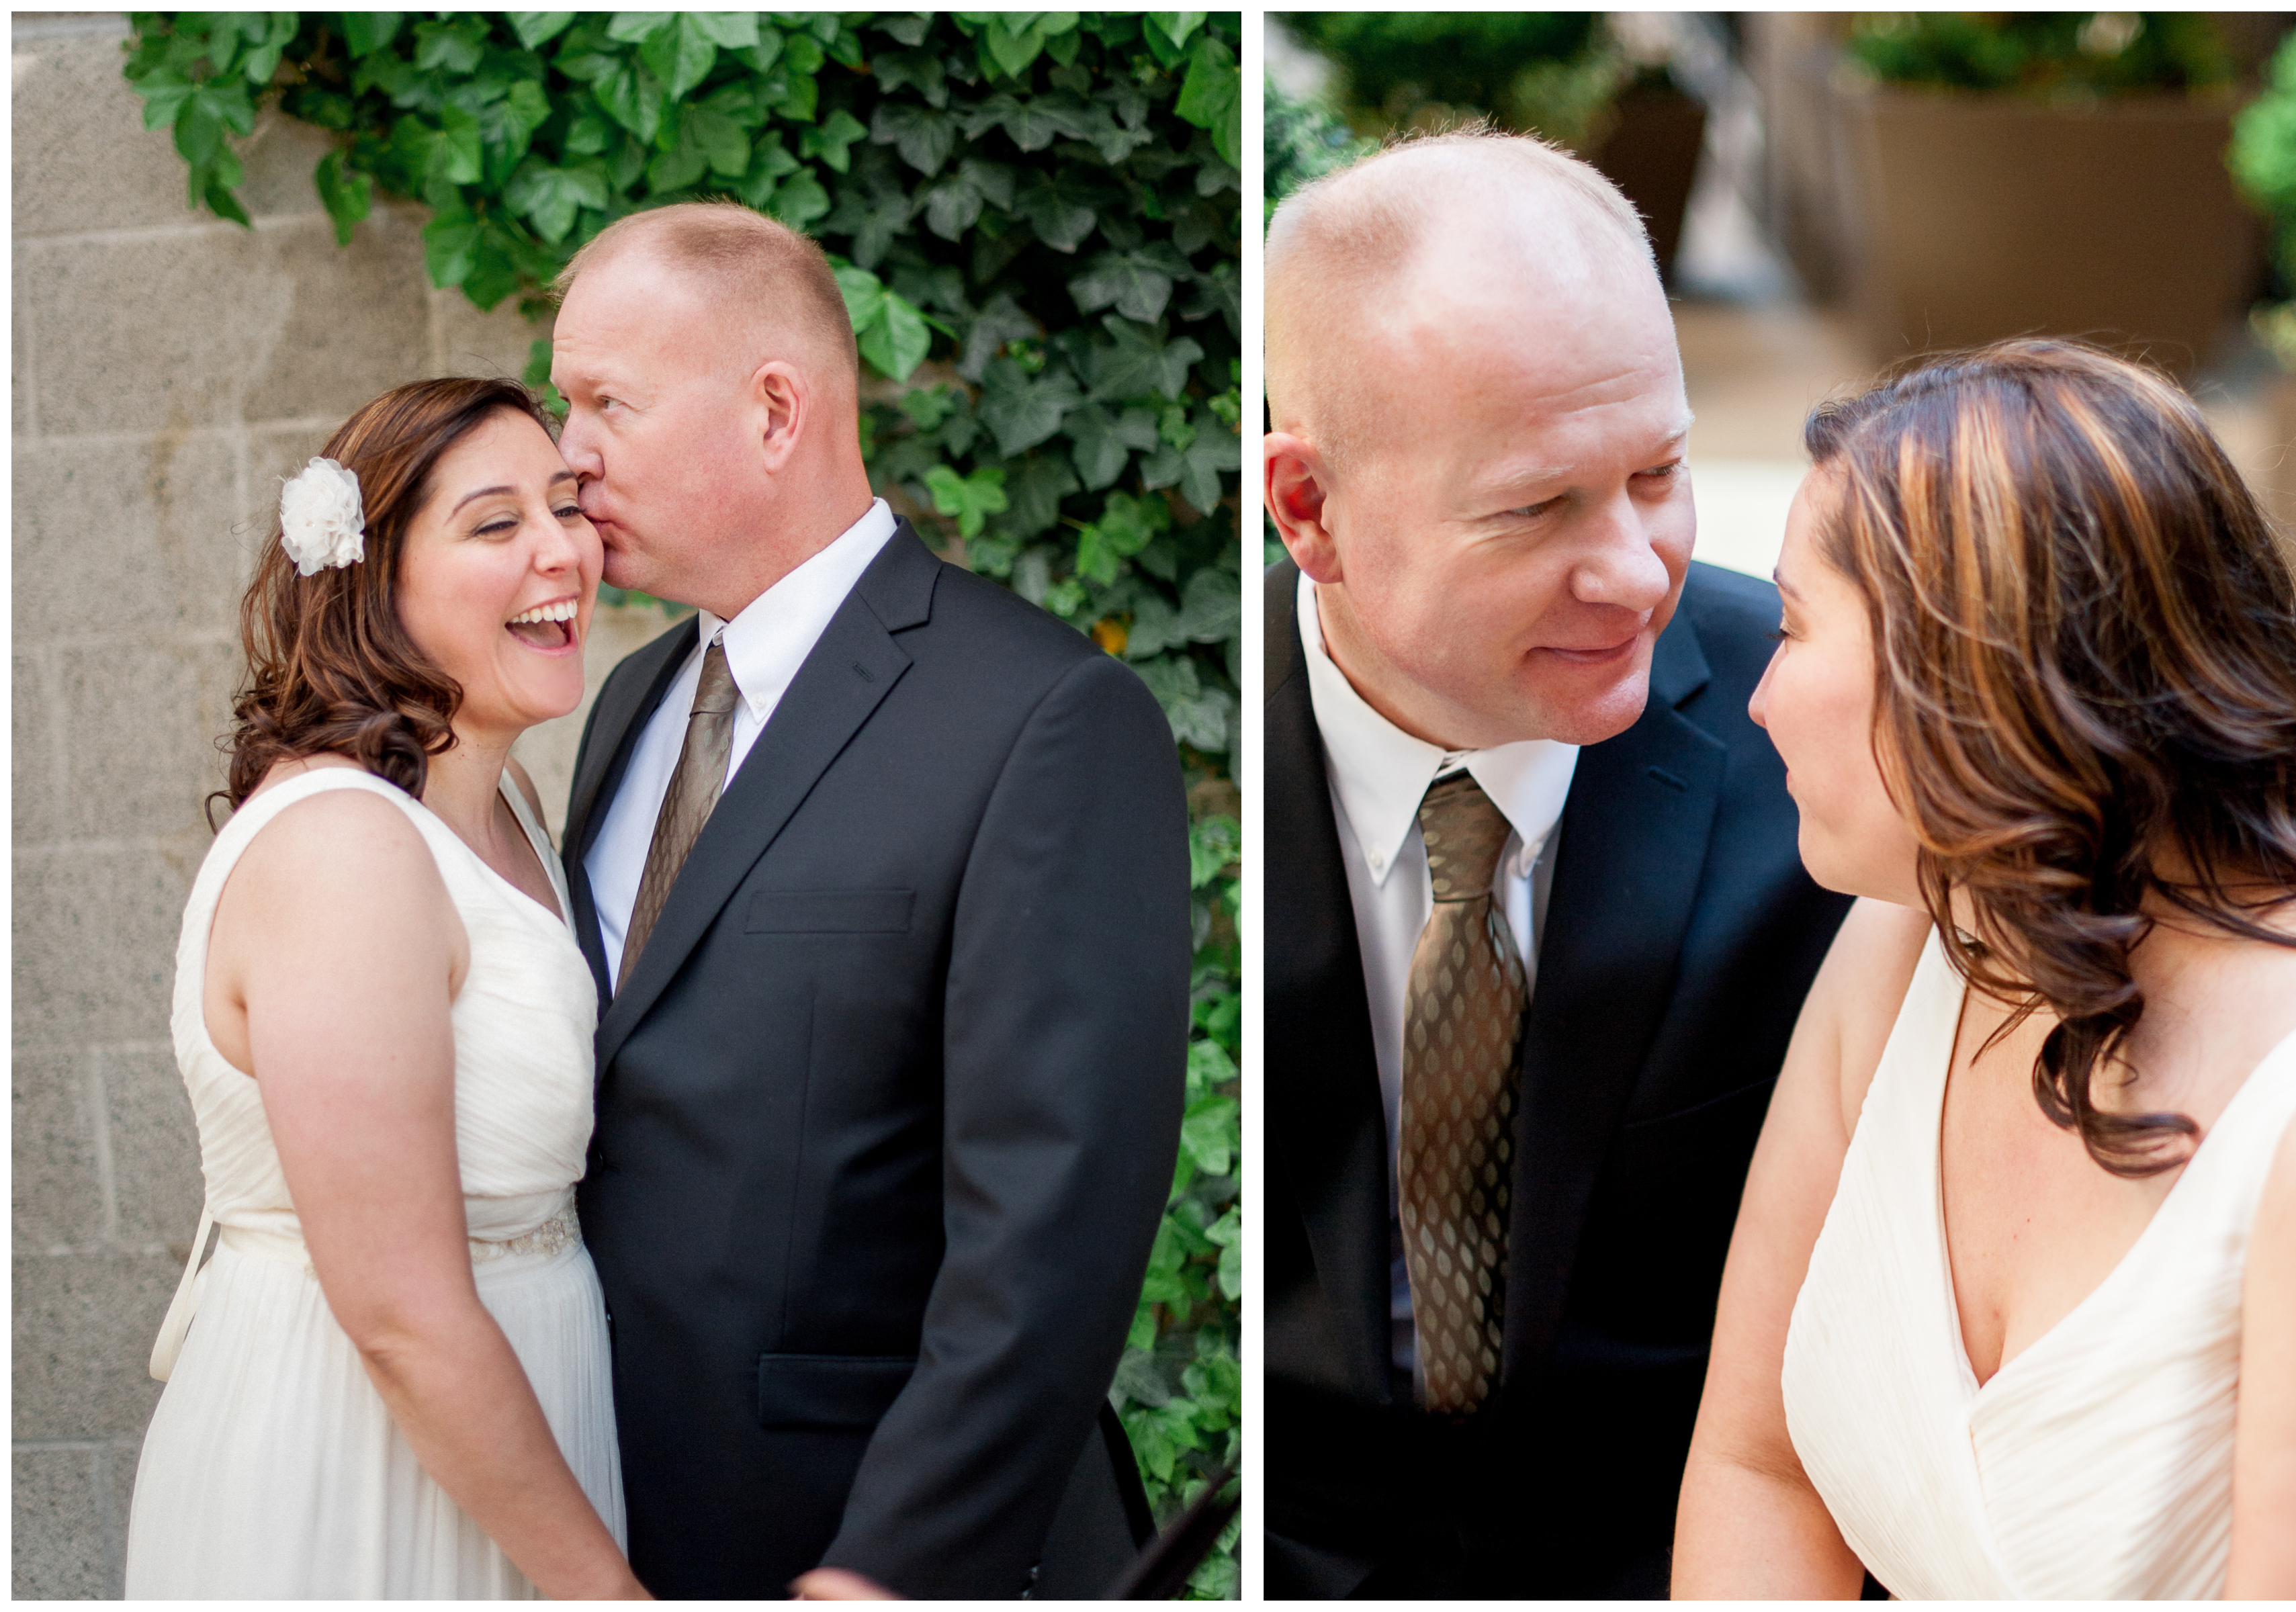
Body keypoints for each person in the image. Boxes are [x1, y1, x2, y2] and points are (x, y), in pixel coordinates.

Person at [1673, 340, 2296, 1599]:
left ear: (1963, 675)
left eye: (1795, 627)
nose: (1757, 699)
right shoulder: (1915, 935)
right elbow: (1759, 1470)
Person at [548, 202, 1190, 1600]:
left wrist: (890, 1569)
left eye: (608, 401)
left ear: (776, 411)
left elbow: (1054, 1214)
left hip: (871, 1541)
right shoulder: (628, 705)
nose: (569, 452)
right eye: (565, 403)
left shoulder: (1044, 719)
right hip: (623, 1525)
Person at [1257, 129, 1853, 1597]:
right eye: (1536, 509)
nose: (1638, 572)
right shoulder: (1138, 775)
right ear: (1309, 510)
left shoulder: (1836, 741)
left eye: (1658, 471)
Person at [125, 377, 644, 1597]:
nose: (561, 549)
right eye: (494, 523)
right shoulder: (345, 850)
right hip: (353, 1459)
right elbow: (402, 1314)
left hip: (518, 1444)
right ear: (375, 581)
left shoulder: (506, 809)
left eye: (564, 506)